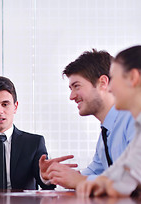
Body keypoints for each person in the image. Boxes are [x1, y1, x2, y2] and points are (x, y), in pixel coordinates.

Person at [39, 49, 135, 189]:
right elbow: (88, 176)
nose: (71, 96)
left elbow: (136, 178)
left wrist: (80, 180)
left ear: (103, 83)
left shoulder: (134, 119)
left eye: (76, 86)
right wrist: (53, 175)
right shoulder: (105, 133)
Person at [77, 45, 141, 197]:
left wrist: (103, 183)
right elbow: (120, 168)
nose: (109, 88)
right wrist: (102, 181)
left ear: (133, 78)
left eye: (113, 78)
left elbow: (122, 184)